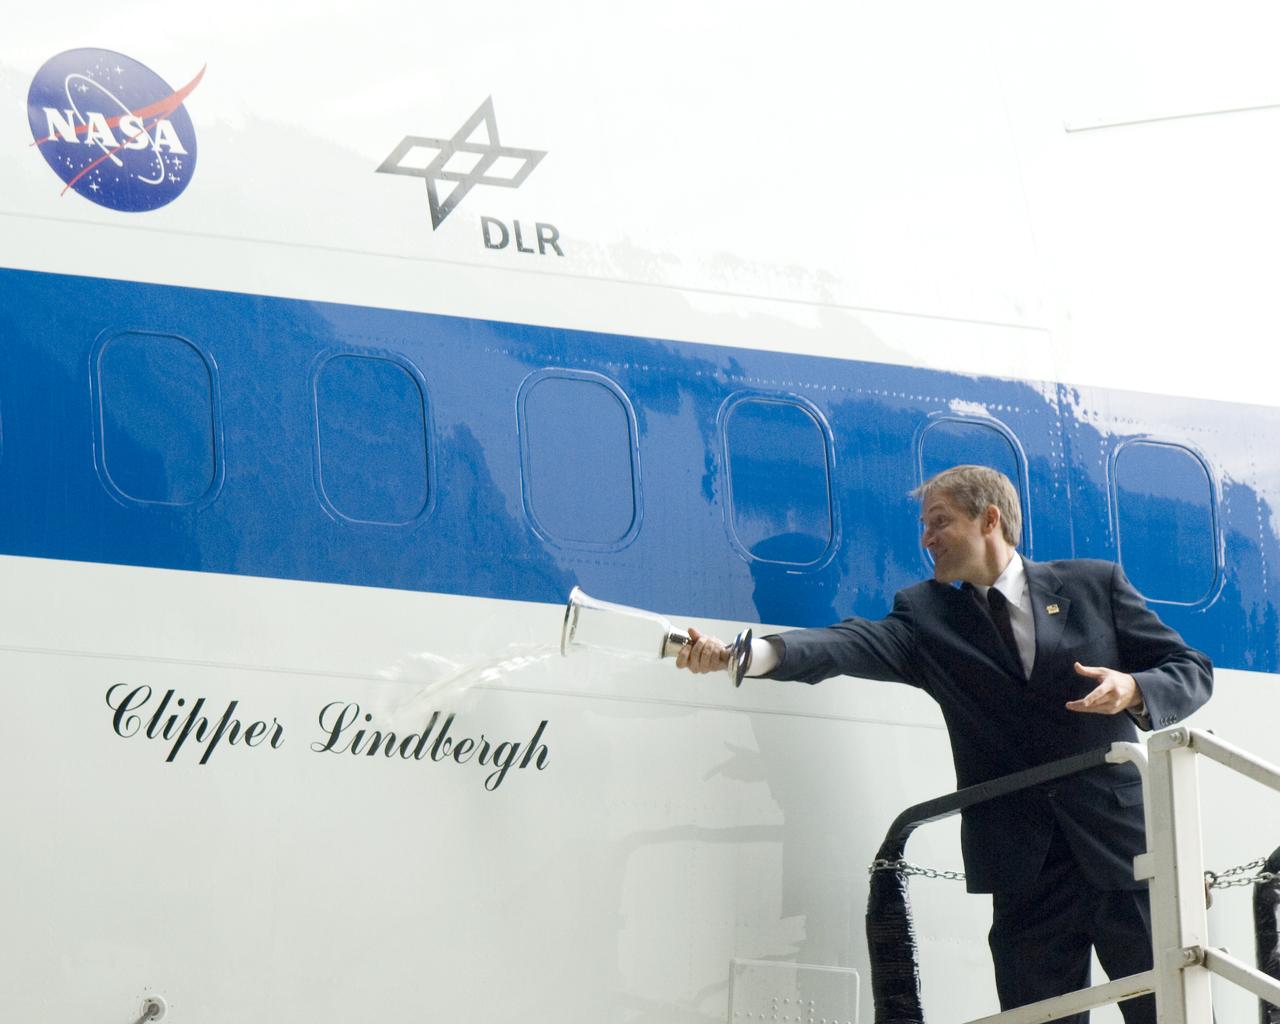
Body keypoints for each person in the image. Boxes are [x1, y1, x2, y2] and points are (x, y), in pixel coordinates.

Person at [676, 465, 1213, 1023]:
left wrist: (1131, 688)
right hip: (1023, 871)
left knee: (1170, 1011)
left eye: (939, 521)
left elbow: (1190, 668)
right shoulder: (928, 617)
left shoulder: (1091, 585)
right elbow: (845, 643)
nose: (926, 538)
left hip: (1124, 851)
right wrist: (746, 654)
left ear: (990, 519)